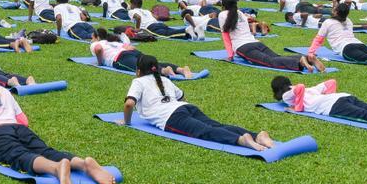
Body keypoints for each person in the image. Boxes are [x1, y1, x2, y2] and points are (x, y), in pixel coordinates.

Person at [116, 54, 274, 150]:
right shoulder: (164, 79)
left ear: (138, 71)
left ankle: (240, 140)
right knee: (216, 125)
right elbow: (181, 97)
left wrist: (126, 121)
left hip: (171, 117)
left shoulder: (138, 82)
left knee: (205, 132)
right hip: (186, 107)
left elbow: (129, 104)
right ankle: (257, 135)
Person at [220, 0, 324, 72]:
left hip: (242, 47)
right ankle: (309, 59)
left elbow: (226, 36)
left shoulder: (223, 14)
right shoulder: (240, 13)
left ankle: (300, 61)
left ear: (223, 5)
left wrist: (230, 56)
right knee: (277, 57)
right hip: (256, 43)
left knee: (269, 62)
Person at [89, 28, 195, 78]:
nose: (91, 39)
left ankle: (164, 71)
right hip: (131, 51)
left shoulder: (96, 44)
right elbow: (129, 46)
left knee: (142, 69)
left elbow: (98, 49)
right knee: (151, 63)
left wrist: (99, 63)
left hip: (120, 58)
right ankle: (181, 69)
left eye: (92, 38)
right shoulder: (112, 42)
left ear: (96, 37)